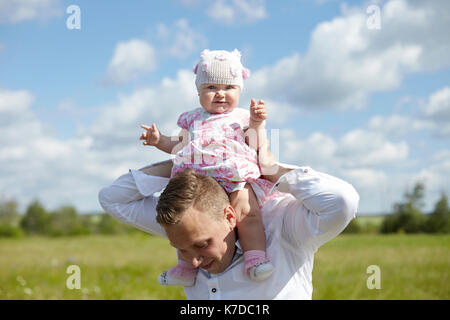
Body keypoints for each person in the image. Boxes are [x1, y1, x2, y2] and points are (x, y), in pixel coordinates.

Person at [98, 158, 359, 299]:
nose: (194, 262)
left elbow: (342, 201)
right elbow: (111, 198)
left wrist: (265, 167)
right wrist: (183, 161)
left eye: (202, 245)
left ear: (229, 215)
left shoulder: (282, 222)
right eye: (181, 250)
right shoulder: (183, 227)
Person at [139, 49, 280, 286]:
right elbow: (179, 145)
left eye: (228, 88)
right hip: (197, 179)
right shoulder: (192, 119)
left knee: (247, 213)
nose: (220, 94)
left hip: (234, 176)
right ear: (199, 92)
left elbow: (255, 142)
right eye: (211, 88)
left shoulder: (243, 117)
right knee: (185, 221)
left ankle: (255, 257)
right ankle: (185, 267)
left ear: (239, 90)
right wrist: (159, 140)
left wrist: (257, 123)